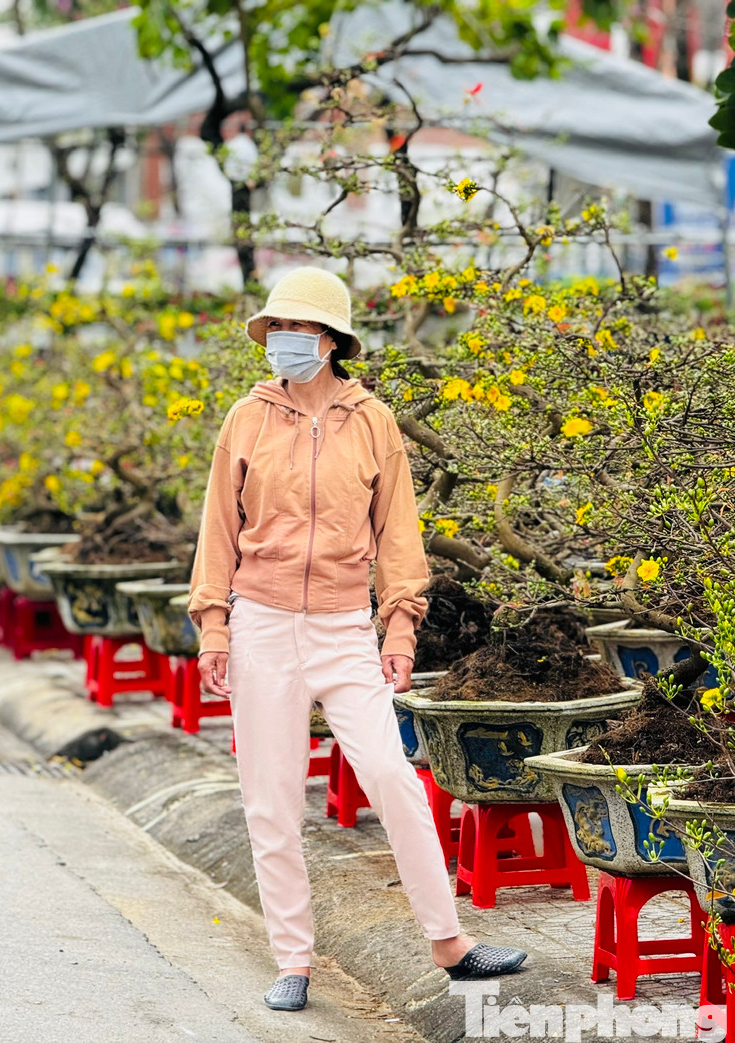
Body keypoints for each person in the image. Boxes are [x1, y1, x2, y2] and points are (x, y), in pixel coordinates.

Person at [187, 267, 527, 1012]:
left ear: (331, 340)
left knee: (395, 777)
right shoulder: (246, 417)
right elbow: (217, 529)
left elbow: (399, 535)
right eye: (275, 328)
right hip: (263, 627)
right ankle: (293, 959)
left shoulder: (372, 421)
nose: (282, 341)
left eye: (297, 330)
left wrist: (400, 625)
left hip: (343, 626)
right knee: (271, 799)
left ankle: (451, 943)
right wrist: (214, 624)